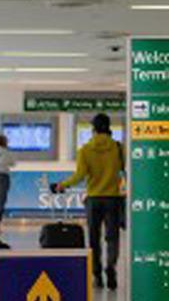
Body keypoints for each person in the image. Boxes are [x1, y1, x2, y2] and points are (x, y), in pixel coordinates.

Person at [51, 113, 125, 289]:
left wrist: (63, 185)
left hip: (93, 200)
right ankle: (111, 267)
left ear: (93, 129)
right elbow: (123, 169)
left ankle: (97, 274)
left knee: (94, 238)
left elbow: (80, 175)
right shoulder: (118, 148)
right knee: (112, 237)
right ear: (109, 128)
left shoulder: (85, 150)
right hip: (113, 199)